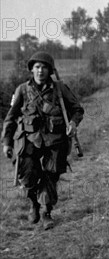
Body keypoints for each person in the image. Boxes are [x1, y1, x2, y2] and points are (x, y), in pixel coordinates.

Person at [2, 52, 84, 230]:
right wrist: (6, 142)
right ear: (32, 69)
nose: (40, 71)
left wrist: (73, 123)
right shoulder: (22, 90)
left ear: (50, 70)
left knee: (50, 176)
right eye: (37, 67)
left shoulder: (60, 89)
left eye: (44, 67)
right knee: (27, 175)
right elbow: (11, 117)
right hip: (29, 140)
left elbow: (78, 110)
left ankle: (46, 212)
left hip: (55, 140)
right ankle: (34, 204)